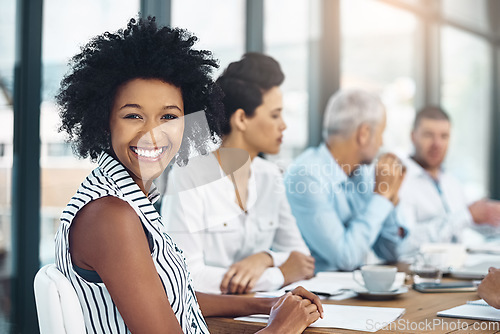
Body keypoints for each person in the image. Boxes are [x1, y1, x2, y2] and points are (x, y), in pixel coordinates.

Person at [54, 17, 322, 334]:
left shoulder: (129, 199)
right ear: (104, 121)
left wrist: (266, 304)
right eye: (133, 115)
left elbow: (170, 297)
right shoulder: (111, 216)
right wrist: (280, 328)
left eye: (169, 116)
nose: (154, 134)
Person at [162, 53, 314, 295]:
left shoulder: (270, 175)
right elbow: (185, 274)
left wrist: (265, 258)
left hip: (261, 316)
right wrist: (279, 274)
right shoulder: (188, 175)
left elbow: (302, 260)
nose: (283, 125)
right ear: (242, 119)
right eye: (275, 115)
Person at [284, 89, 407, 272]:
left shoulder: (363, 175)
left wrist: (389, 196)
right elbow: (346, 257)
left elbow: (390, 253)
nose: (382, 143)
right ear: (364, 133)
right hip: (314, 296)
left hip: (352, 292)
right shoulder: (305, 175)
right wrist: (381, 197)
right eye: (381, 133)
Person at [397, 106, 500, 260]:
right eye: (428, 135)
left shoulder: (450, 182)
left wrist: (488, 215)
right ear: (413, 136)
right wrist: (467, 215)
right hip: (420, 276)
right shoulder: (400, 180)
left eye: (444, 136)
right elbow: (404, 245)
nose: (437, 144)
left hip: (457, 272)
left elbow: (468, 223)